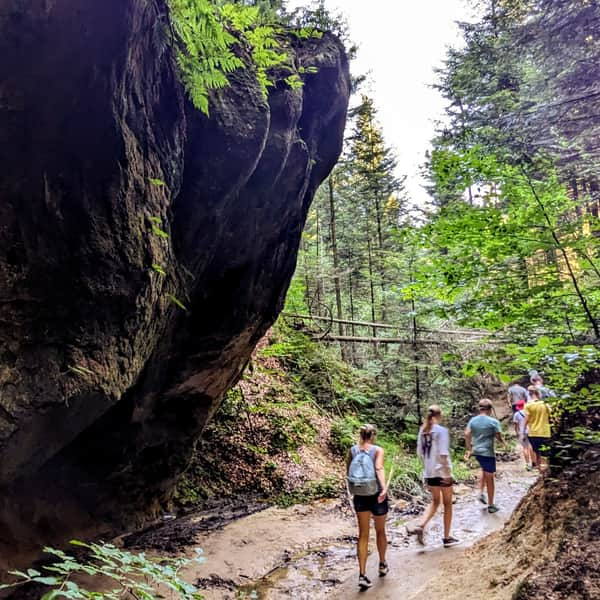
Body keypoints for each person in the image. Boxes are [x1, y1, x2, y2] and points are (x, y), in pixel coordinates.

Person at [408, 405, 461, 548]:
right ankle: (446, 537)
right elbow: (443, 454)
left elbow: (419, 452)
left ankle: (421, 524)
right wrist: (448, 474)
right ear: (439, 415)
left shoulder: (422, 431)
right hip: (442, 472)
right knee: (448, 504)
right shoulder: (441, 431)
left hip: (429, 472)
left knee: (436, 501)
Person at [347, 424, 389, 590]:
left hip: (360, 495)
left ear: (361, 435)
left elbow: (348, 471)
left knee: (363, 534)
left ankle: (362, 574)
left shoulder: (352, 450)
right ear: (373, 435)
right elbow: (378, 467)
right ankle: (382, 563)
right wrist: (384, 487)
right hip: (376, 494)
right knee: (380, 530)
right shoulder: (378, 450)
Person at [465, 398, 505, 513]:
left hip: (476, 451)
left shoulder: (473, 420)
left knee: (484, 470)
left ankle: (481, 493)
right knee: (490, 478)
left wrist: (469, 448)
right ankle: (491, 505)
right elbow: (498, 436)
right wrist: (503, 443)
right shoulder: (493, 422)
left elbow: (467, 433)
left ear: (480, 408)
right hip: (487, 453)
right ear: (490, 409)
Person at [524, 386, 552, 472]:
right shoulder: (545, 404)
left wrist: (522, 431)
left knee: (537, 453)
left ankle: (540, 470)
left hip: (533, 432)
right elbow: (551, 414)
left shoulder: (528, 405)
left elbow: (527, 419)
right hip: (545, 432)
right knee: (546, 453)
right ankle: (546, 470)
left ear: (529, 394)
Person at [512, 399, 534, 470]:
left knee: (525, 448)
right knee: (531, 446)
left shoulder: (516, 414)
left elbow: (516, 425)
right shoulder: (529, 412)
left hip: (522, 432)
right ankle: (533, 462)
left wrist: (517, 432)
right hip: (531, 430)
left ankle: (527, 464)